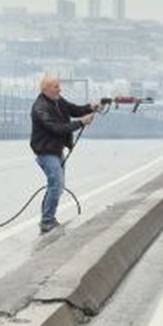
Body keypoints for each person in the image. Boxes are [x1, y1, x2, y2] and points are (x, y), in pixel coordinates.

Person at [30, 74, 97, 233]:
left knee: (56, 186)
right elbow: (56, 128)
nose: (59, 89)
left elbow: (74, 109)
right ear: (45, 89)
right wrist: (81, 122)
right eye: (56, 86)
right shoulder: (40, 107)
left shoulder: (58, 101)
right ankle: (47, 221)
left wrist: (90, 107)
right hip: (46, 152)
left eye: (59, 86)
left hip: (57, 150)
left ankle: (47, 218)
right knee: (56, 185)